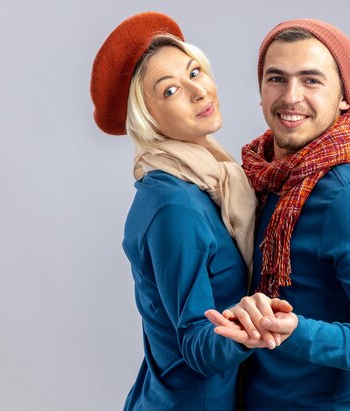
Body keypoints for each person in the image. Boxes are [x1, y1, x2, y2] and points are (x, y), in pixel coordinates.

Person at [206, 18, 350, 410]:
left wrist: (295, 331)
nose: (291, 96)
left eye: (311, 80)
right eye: (277, 78)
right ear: (261, 90)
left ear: (344, 98)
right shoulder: (261, 180)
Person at [89, 12, 290, 411]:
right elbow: (198, 345)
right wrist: (251, 325)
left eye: (195, 72)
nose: (198, 92)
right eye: (169, 91)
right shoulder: (173, 206)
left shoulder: (209, 178)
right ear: (147, 120)